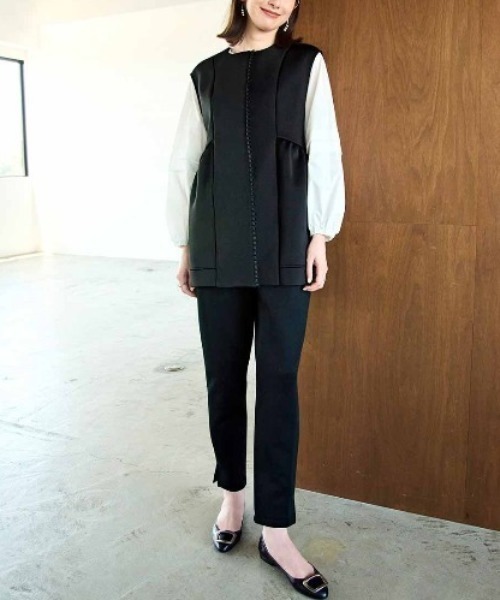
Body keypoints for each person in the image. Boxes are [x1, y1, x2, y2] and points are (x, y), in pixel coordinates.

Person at [166, 1, 345, 597]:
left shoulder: (306, 64)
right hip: (215, 240)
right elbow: (184, 162)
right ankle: (232, 498)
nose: (278, 0)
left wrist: (321, 235)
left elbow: (325, 146)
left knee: (278, 382)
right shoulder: (205, 75)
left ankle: (277, 529)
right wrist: (185, 245)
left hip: (286, 240)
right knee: (222, 377)